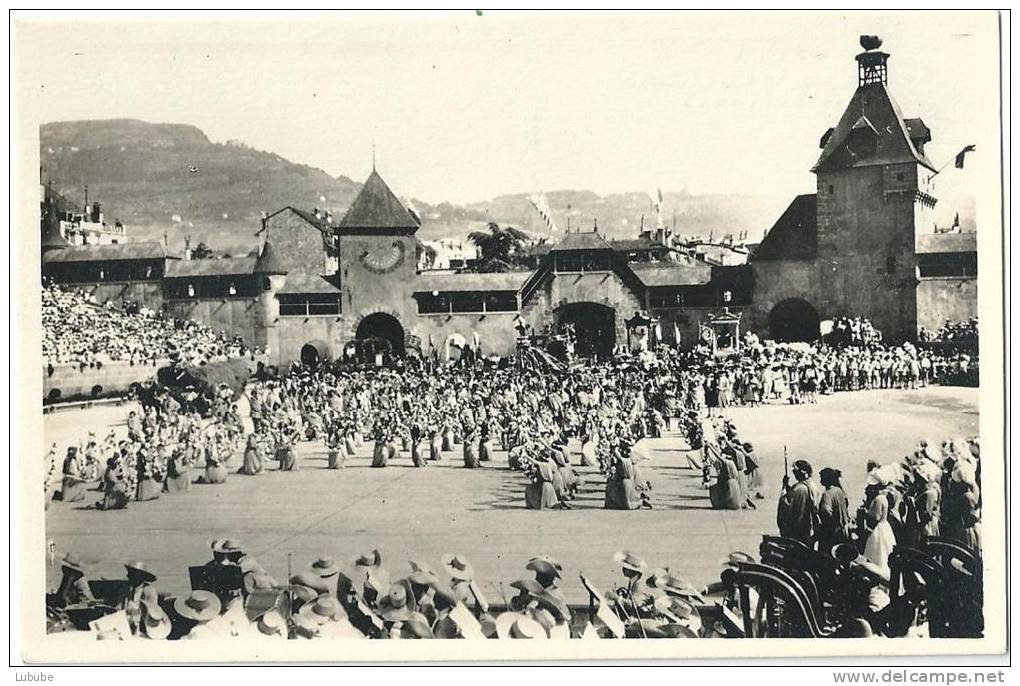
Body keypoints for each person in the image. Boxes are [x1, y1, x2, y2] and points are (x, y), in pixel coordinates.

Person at [776, 459, 815, 547]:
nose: (794, 474)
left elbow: (786, 505)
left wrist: (783, 489)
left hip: (798, 529)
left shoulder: (800, 488)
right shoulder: (811, 484)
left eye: (795, 472)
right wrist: (787, 486)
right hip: (807, 527)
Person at [816, 467, 850, 553]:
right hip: (842, 531)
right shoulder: (839, 491)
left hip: (830, 534)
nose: (820, 480)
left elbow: (826, 512)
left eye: (822, 477)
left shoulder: (827, 494)